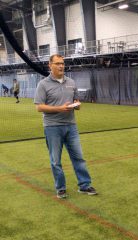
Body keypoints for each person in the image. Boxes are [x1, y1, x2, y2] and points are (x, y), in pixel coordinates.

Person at [34, 54, 97, 199]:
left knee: (79, 158)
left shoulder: (71, 82)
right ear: (50, 65)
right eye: (57, 63)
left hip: (71, 126)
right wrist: (60, 108)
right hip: (52, 127)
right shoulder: (43, 84)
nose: (61, 66)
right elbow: (39, 107)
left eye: (62, 63)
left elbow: (76, 101)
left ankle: (85, 185)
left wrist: (77, 105)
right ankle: (61, 188)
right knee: (56, 160)